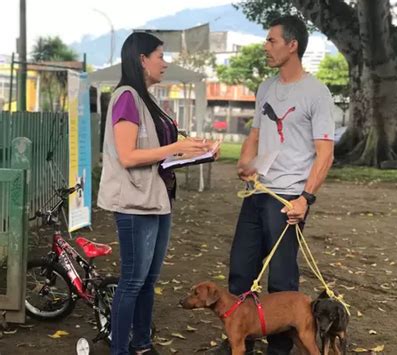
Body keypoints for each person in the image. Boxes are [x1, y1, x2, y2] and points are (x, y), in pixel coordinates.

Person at [210, 15, 335, 355]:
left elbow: (325, 154)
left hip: (288, 199)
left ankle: (279, 349)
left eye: (271, 41)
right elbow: (255, 133)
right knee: (240, 271)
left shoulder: (316, 93)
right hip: (257, 194)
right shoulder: (266, 87)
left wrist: (305, 199)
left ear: (292, 45)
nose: (265, 46)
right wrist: (244, 162)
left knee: (280, 280)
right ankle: (240, 341)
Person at [97, 32, 213, 355]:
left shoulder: (145, 98)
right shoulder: (126, 98)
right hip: (135, 204)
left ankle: (142, 344)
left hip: (157, 200)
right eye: (160, 56)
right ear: (141, 59)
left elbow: (157, 153)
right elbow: (128, 155)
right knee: (132, 282)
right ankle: (120, 349)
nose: (165, 62)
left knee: (148, 281)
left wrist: (194, 152)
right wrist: (176, 147)